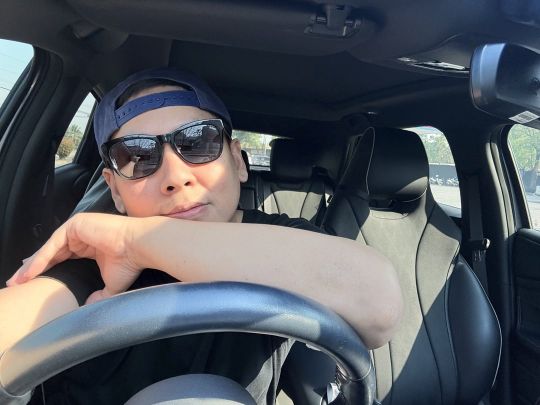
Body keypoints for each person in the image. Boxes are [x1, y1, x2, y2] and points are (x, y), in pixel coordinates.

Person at [0, 67, 403, 404]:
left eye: (198, 142)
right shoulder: (94, 264)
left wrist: (135, 241)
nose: (175, 177)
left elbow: (379, 303)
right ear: (115, 190)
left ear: (238, 161)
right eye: (138, 156)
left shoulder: (280, 240)